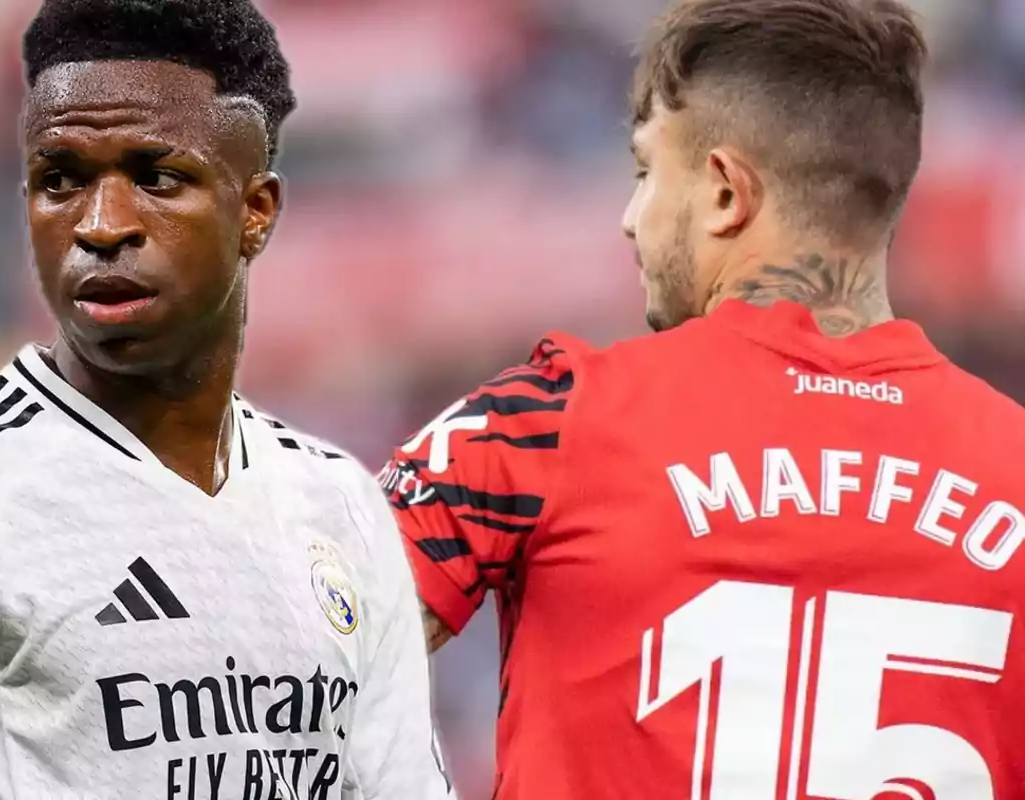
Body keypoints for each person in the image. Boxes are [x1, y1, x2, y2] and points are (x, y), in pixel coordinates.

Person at [380, 0, 1025, 797]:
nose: (629, 219)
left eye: (647, 171)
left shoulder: (548, 424)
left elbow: (285, 675)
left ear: (724, 192)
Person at [0, 1, 451, 798]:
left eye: (156, 178)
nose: (102, 225)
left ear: (254, 212)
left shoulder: (339, 505)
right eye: (61, 180)